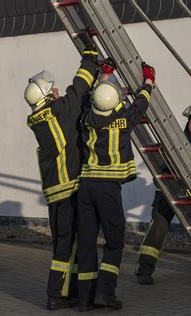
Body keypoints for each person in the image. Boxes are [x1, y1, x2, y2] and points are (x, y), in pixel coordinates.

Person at [24, 36, 99, 310]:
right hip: (71, 190)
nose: (55, 90)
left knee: (62, 245)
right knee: (75, 242)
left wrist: (56, 100)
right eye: (51, 89)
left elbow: (63, 106)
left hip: (54, 193)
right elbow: (79, 88)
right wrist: (90, 55)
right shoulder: (63, 110)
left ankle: (60, 294)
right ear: (47, 97)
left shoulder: (42, 119)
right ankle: (69, 294)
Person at [76, 63, 156, 311]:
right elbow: (139, 104)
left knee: (87, 242)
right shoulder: (123, 119)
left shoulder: (86, 117)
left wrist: (105, 75)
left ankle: (85, 298)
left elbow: (93, 96)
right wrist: (148, 82)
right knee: (114, 242)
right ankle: (106, 293)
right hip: (108, 189)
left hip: (86, 186)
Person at [135, 100, 191, 284]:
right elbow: (164, 161)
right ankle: (144, 270)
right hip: (167, 191)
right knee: (158, 227)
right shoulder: (175, 139)